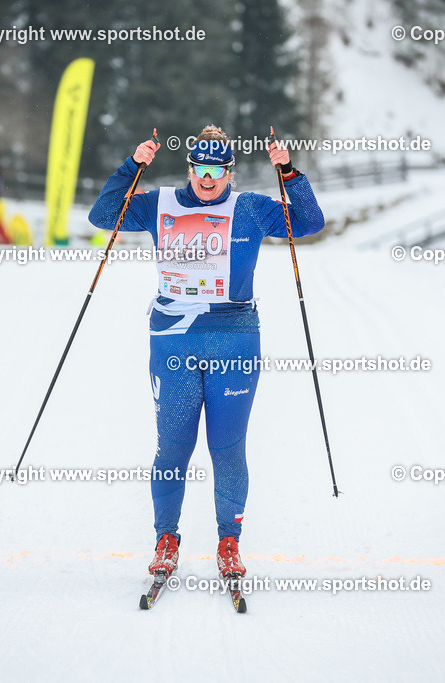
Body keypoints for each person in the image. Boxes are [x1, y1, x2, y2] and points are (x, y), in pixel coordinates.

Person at [88, 125, 325, 580]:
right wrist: (132, 166)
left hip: (235, 339)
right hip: (174, 339)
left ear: (230, 173)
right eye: (201, 169)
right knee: (173, 447)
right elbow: (103, 215)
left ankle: (229, 542)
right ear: (190, 169)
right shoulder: (159, 204)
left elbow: (310, 223)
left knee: (228, 448)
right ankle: (166, 539)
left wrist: (290, 173)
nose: (208, 179)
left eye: (217, 171)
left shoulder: (250, 208)